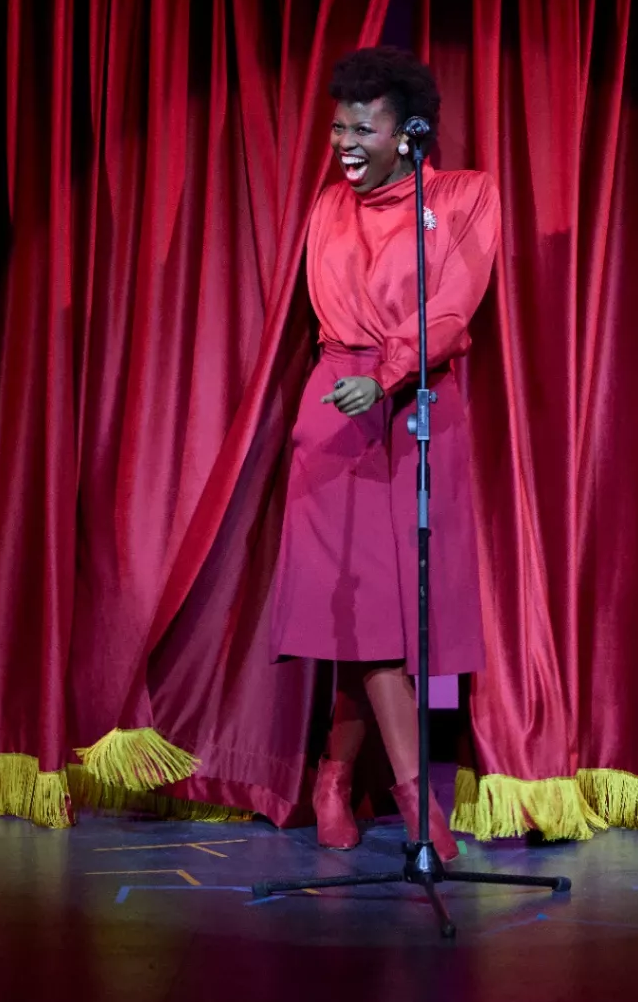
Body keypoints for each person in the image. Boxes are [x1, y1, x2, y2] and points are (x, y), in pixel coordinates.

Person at [265, 47, 501, 860]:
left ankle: (333, 777)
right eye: (339, 128)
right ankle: (416, 806)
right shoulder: (328, 206)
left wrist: (392, 373)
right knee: (365, 621)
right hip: (339, 410)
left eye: (363, 128)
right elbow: (332, 309)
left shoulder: (464, 196)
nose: (345, 143)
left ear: (408, 132)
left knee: (390, 626)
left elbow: (454, 304)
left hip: (418, 411)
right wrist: (360, 378)